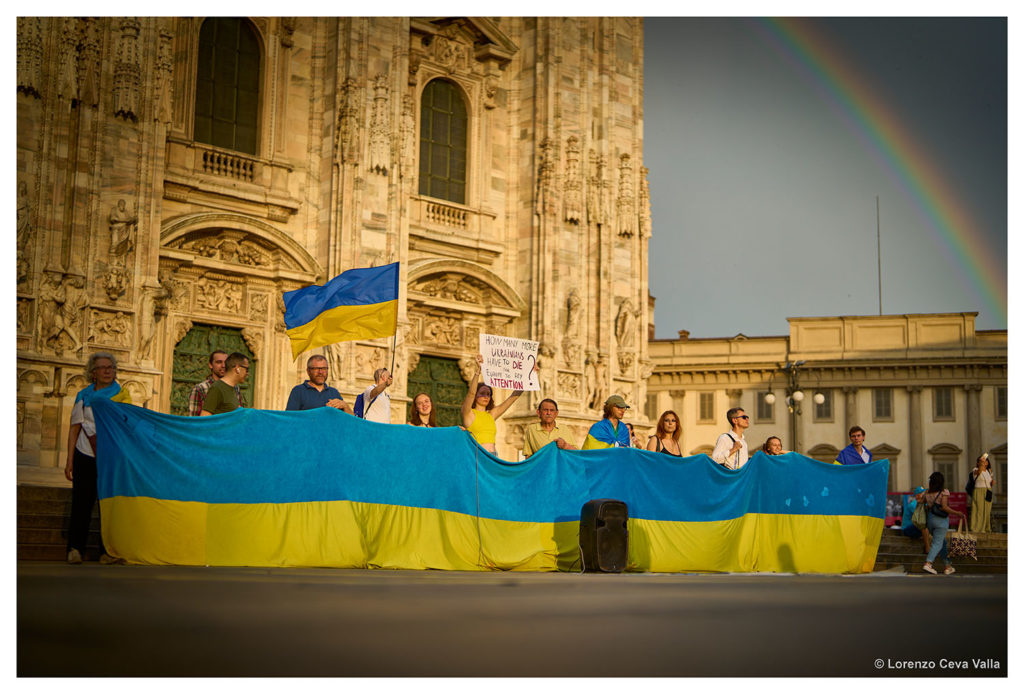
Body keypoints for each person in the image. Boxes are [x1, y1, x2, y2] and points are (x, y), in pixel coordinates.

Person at [65, 352, 132, 564]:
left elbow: (127, 425)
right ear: (93, 373)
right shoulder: (83, 396)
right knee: (81, 503)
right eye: (102, 367)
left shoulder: (122, 395)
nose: (107, 371)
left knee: (109, 505)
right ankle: (75, 549)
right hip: (85, 454)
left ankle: (107, 552)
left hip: (111, 457)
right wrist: (69, 461)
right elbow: (74, 428)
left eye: (110, 367)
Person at [461, 354, 523, 453]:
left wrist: (529, 377)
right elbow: (471, 394)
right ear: (476, 396)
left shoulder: (491, 414)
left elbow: (512, 398)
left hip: (493, 456)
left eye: (488, 394)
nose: (486, 396)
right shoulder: (468, 413)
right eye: (482, 393)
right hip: (477, 455)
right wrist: (478, 371)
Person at [922, 471, 967, 575]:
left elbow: (923, 504)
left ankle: (948, 566)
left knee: (942, 543)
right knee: (937, 543)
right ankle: (928, 563)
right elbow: (944, 507)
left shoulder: (927, 493)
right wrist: (958, 513)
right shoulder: (943, 492)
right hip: (940, 521)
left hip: (930, 520)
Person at [285, 354, 353, 413]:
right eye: (316, 369)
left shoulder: (334, 392)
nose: (320, 372)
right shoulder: (298, 391)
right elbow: (289, 418)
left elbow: (352, 420)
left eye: (324, 369)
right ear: (308, 371)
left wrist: (345, 406)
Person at [187, 350, 242, 416]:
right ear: (210, 365)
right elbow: (194, 418)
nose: (223, 365)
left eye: (226, 362)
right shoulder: (200, 388)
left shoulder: (235, 388)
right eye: (219, 362)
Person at [900, 485, 932, 553]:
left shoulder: (923, 504)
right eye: (923, 493)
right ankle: (927, 548)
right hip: (907, 529)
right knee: (924, 524)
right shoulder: (913, 505)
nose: (925, 494)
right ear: (918, 495)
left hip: (916, 528)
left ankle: (930, 546)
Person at [969, 453, 995, 533]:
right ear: (978, 462)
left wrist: (992, 483)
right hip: (979, 490)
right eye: (983, 460)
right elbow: (979, 472)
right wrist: (981, 462)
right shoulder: (975, 470)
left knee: (987, 510)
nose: (985, 461)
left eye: (986, 460)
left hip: (988, 491)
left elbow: (989, 482)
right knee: (979, 510)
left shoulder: (988, 472)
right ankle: (977, 528)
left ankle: (986, 528)